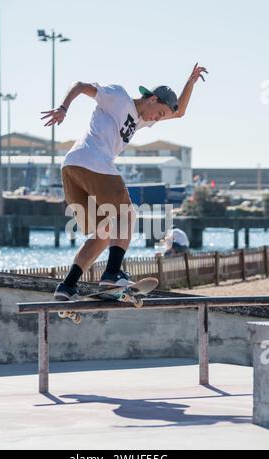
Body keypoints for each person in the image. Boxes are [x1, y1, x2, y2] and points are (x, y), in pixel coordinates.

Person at [41, 63, 208, 300]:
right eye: (158, 113)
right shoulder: (118, 96)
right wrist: (63, 107)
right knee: (128, 215)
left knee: (104, 233)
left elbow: (178, 112)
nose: (156, 120)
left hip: (71, 170)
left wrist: (189, 83)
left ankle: (67, 286)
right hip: (92, 163)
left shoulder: (141, 120)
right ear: (152, 98)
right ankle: (112, 274)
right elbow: (79, 86)